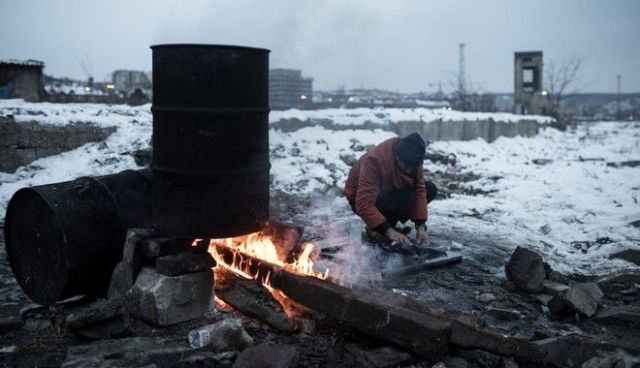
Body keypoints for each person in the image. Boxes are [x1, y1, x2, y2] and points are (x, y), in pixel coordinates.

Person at [344, 133, 437, 245]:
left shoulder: (414, 160)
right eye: (406, 166)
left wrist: (421, 226)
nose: (408, 171)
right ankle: (379, 227)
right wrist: (389, 231)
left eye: (411, 167)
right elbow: (364, 203)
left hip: (390, 192)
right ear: (396, 157)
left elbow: (420, 191)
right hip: (360, 199)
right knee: (392, 200)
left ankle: (386, 224)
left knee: (430, 189)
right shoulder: (374, 160)